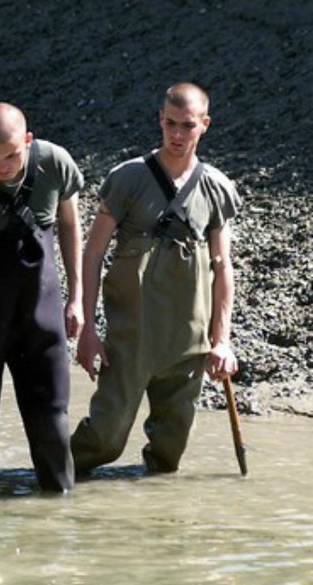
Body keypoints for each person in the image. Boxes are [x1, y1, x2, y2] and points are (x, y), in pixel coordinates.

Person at [70, 82, 241, 476]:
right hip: (131, 336)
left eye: (187, 125)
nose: (177, 135)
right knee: (105, 439)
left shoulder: (216, 187)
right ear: (159, 121)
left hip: (189, 341)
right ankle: (51, 479)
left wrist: (222, 340)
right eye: (170, 124)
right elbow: (93, 253)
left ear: (205, 125)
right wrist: (89, 330)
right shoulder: (127, 179)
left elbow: (222, 265)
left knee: (169, 454)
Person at [0, 102, 84, 494]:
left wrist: (77, 298)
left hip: (43, 310)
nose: (1, 165)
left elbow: (71, 228)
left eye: (11, 155)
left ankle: (59, 509)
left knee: (52, 419)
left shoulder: (54, 162)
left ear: (28, 140)